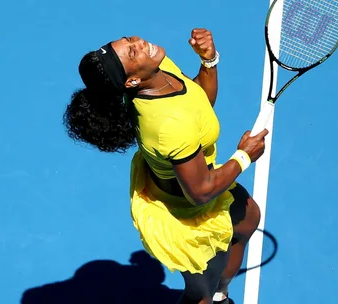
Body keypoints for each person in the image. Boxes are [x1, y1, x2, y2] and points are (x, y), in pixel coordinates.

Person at [63, 28, 269, 304]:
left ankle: (221, 296)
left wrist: (209, 62)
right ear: (133, 80)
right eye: (131, 52)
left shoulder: (158, 69)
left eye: (129, 41)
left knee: (248, 219)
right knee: (200, 293)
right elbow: (200, 191)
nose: (138, 43)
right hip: (185, 211)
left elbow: (199, 103)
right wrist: (244, 156)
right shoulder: (168, 125)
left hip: (194, 177)